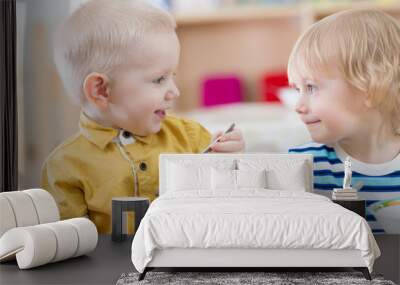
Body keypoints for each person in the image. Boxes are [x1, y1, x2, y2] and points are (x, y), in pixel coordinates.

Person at [41, 0, 244, 234]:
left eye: (173, 76)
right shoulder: (64, 168)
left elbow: (225, 208)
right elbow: (69, 248)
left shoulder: (191, 137)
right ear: (101, 90)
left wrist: (230, 163)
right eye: (159, 79)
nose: (175, 92)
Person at [288, 9, 400, 234]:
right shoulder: (303, 166)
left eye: (311, 87)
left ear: (369, 87)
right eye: (297, 89)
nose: (298, 106)